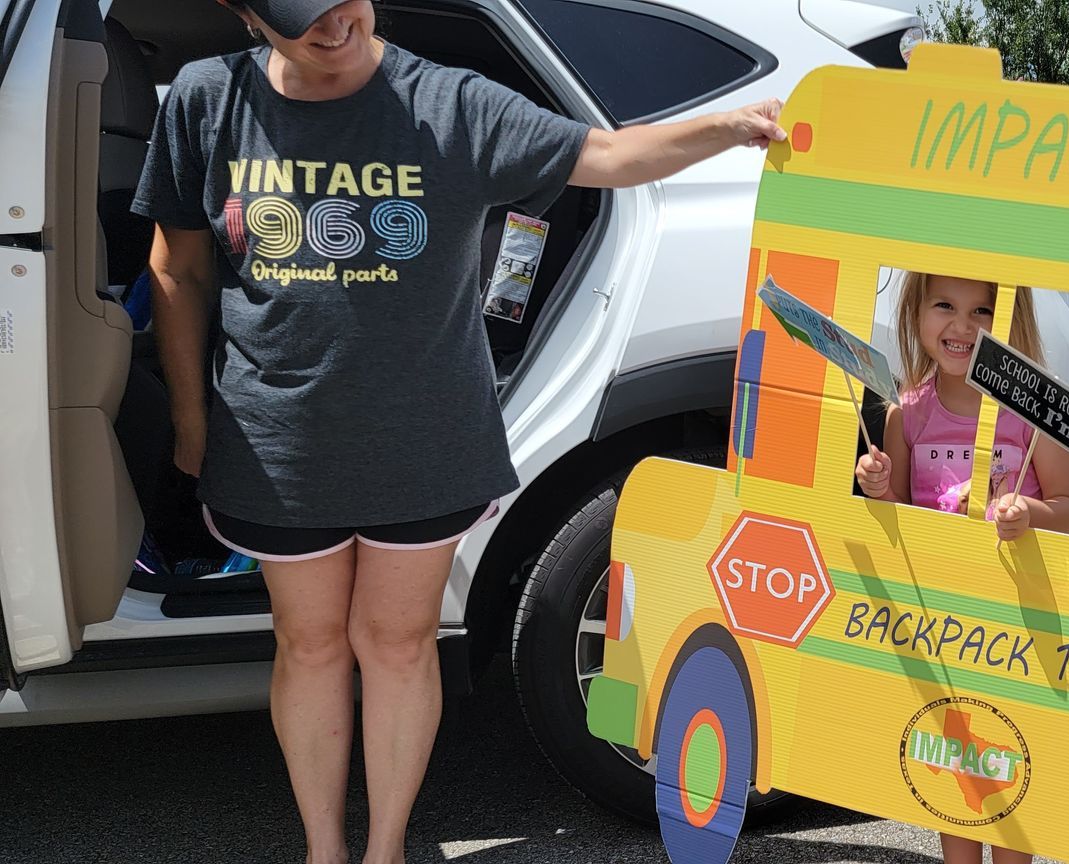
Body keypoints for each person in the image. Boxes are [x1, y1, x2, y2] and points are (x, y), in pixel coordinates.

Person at [133, 2, 783, 862]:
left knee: (398, 646)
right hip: (277, 439)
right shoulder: (206, 101)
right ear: (246, 15)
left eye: (344, 4)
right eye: (301, 17)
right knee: (311, 644)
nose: (333, 27)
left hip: (426, 440)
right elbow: (176, 266)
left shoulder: (449, 102)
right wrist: (189, 417)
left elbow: (607, 156)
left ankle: (387, 846)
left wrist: (731, 126)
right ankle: (324, 847)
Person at [854, 273, 1069, 864]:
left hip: (1018, 624)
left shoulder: (1034, 408)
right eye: (945, 306)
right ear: (916, 313)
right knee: (954, 766)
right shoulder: (906, 413)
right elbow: (900, 517)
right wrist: (878, 489)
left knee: (1010, 763)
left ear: (1010, 322)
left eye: (983, 310)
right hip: (944, 623)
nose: (962, 326)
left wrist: (1028, 511)